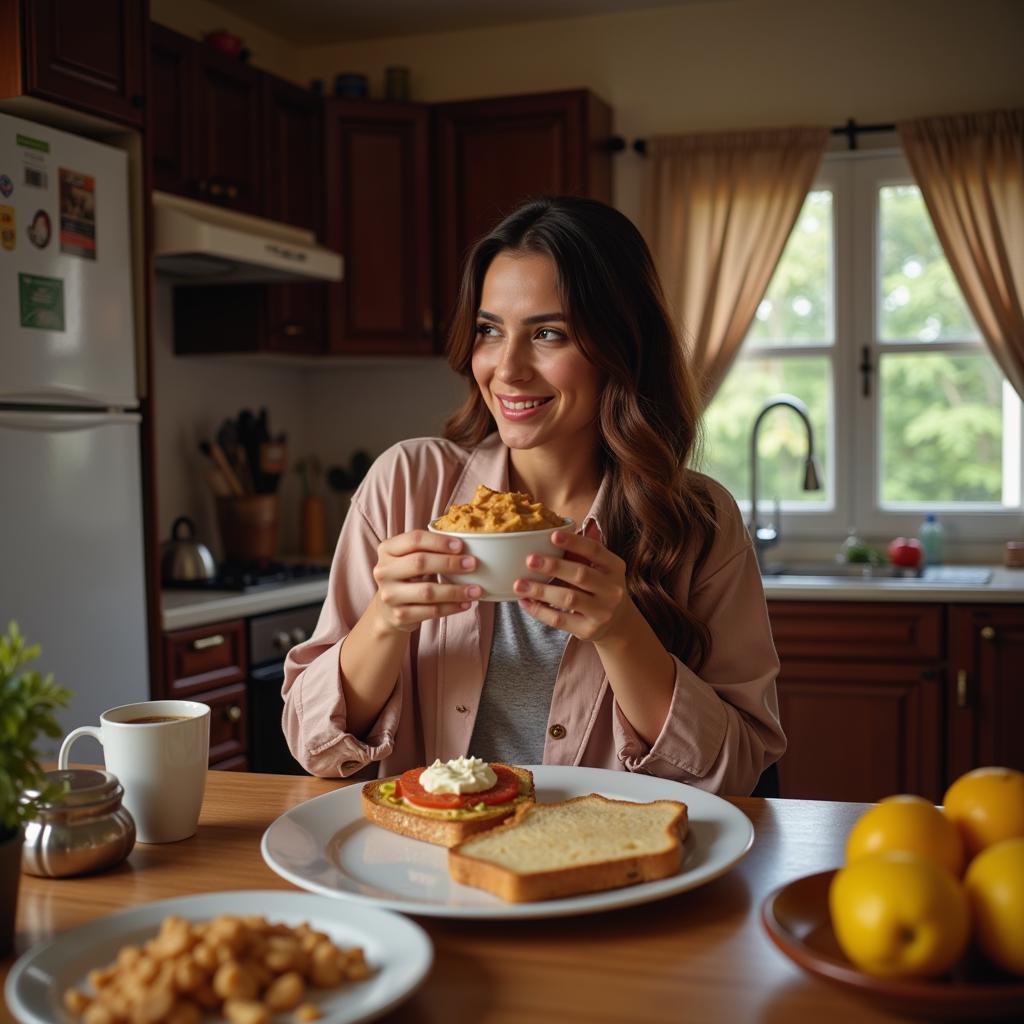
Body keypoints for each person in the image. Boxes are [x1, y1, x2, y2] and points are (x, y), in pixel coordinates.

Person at [283, 196, 784, 795]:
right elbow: (314, 747)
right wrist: (385, 621)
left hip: (604, 874)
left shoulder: (698, 520)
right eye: (490, 331)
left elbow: (736, 770)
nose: (508, 369)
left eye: (549, 333)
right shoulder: (407, 485)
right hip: (427, 869)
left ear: (620, 346)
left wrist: (621, 632)